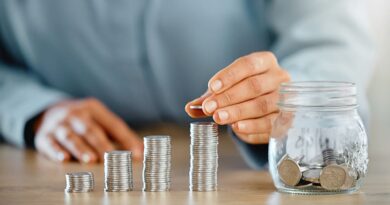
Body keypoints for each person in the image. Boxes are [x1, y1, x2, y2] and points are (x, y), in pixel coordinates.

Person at [0, 1, 374, 168]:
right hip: (58, 162)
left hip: (246, 165)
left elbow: (333, 43)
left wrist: (293, 97)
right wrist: (32, 107)